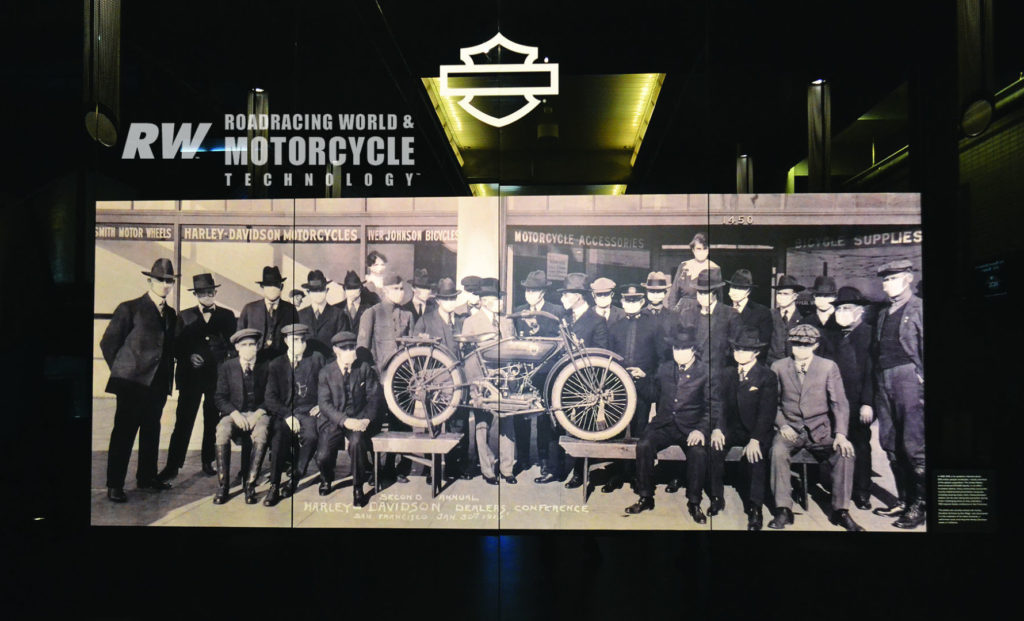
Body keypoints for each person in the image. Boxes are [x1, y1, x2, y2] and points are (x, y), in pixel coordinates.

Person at [767, 324, 863, 531]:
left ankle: (841, 510)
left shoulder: (828, 367)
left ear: (816, 345)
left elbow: (839, 403)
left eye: (806, 345)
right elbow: (770, 403)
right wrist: (782, 424)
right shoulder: (779, 366)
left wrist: (840, 434)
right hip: (790, 428)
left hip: (821, 430)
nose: (800, 349)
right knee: (777, 451)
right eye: (796, 345)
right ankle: (783, 509)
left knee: (845, 452)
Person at [100, 258, 179, 502]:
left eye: (169, 281)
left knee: (151, 432)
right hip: (131, 385)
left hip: (157, 385)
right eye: (160, 280)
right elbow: (108, 343)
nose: (165, 285)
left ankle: (146, 478)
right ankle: (115, 484)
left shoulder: (172, 314)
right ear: (149, 281)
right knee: (124, 433)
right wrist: (124, 372)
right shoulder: (130, 308)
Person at [624, 328, 719, 524]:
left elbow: (713, 407)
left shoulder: (705, 372)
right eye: (676, 348)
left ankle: (694, 502)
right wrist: (640, 379)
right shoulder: (664, 369)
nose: (679, 353)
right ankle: (645, 496)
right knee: (644, 445)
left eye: (684, 349)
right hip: (665, 425)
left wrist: (701, 430)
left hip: (691, 428)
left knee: (699, 453)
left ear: (693, 350)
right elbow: (652, 394)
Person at [158, 273, 236, 483]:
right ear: (196, 295)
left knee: (212, 419)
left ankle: (208, 461)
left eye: (210, 292)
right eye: (202, 292)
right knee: (183, 421)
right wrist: (188, 355)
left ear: (215, 293)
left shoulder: (228, 316)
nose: (207, 295)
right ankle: (173, 465)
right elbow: (174, 345)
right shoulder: (183, 316)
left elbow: (233, 346)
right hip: (191, 377)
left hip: (217, 377)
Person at [535, 273, 609, 487]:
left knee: (584, 427)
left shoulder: (597, 321)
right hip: (561, 382)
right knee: (554, 423)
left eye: (567, 294)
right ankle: (554, 470)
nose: (563, 298)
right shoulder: (564, 320)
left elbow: (602, 355)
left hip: (584, 384)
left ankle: (580, 473)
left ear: (579, 296)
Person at [871, 260, 926, 529]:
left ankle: (919, 507)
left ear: (907, 279)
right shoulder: (883, 312)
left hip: (907, 378)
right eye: (884, 279)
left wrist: (921, 380)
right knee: (890, 441)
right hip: (884, 378)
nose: (885, 284)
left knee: (914, 444)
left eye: (891, 279)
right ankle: (903, 500)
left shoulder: (918, 308)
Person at [708, 327, 778, 530]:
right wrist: (718, 429)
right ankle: (716, 497)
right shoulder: (727, 373)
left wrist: (755, 439)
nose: (740, 354)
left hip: (756, 430)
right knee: (714, 448)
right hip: (731, 428)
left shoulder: (766, 376)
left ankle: (755, 508)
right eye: (737, 349)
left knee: (755, 457)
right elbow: (719, 404)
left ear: (756, 352)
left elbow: (767, 412)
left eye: (745, 350)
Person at [602, 283, 661, 493]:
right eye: (627, 300)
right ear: (622, 301)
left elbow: (661, 358)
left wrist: (647, 376)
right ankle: (618, 473)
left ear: (642, 301)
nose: (631, 303)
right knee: (618, 430)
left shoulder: (654, 325)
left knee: (639, 430)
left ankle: (638, 475)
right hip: (619, 388)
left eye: (635, 300)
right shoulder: (615, 327)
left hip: (643, 387)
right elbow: (607, 358)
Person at [412, 277, 472, 479]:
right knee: (434, 425)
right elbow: (415, 350)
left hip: (458, 381)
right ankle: (432, 468)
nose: (450, 303)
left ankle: (457, 467)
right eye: (446, 299)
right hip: (434, 381)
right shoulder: (426, 320)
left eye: (453, 299)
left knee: (459, 423)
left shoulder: (462, 321)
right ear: (438, 301)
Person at [358, 272, 414, 482]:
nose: (399, 293)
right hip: (378, 381)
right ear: (384, 290)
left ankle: (394, 468)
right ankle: (373, 469)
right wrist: (371, 378)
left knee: (400, 424)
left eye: (401, 289)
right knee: (375, 423)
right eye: (394, 289)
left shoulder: (407, 315)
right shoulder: (371, 313)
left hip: (401, 381)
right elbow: (362, 349)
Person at [461, 277, 517, 484]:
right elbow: (467, 355)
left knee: (508, 421)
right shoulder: (471, 322)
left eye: (500, 299)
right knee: (482, 423)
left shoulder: (507, 321)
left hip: (505, 379)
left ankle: (507, 469)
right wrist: (476, 384)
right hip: (481, 379)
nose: (501, 303)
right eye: (496, 299)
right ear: (484, 300)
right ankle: (487, 470)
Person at [262, 323, 325, 506]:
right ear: (286, 341)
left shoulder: (316, 359)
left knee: (312, 436)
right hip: (285, 413)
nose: (299, 344)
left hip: (308, 412)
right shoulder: (276, 364)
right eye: (294, 340)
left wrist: (321, 404)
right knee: (279, 436)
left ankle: (295, 477)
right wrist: (287, 414)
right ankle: (274, 485)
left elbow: (326, 385)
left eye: (302, 340)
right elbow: (270, 397)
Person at [316, 331, 381, 507]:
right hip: (335, 421)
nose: (350, 351)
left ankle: (358, 488)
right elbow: (324, 404)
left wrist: (366, 419)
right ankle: (326, 478)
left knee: (357, 444)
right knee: (322, 456)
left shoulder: (364, 368)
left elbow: (374, 397)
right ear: (336, 350)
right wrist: (344, 420)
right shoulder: (326, 372)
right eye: (345, 348)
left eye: (352, 347)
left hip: (359, 420)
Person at [511, 270, 565, 475]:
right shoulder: (519, 311)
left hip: (546, 372)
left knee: (544, 418)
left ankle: (544, 459)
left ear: (543, 292)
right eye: (527, 290)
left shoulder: (556, 311)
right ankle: (522, 458)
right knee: (520, 415)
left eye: (533, 290)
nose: (529, 294)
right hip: (523, 371)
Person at [212, 328, 271, 505]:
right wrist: (234, 413)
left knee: (262, 431)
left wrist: (259, 413)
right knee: (222, 430)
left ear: (257, 346)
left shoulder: (267, 366)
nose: (248, 349)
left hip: (259, 413)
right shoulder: (227, 367)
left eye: (252, 344)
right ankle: (223, 486)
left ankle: (250, 485)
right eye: (244, 345)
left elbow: (272, 396)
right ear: (237, 347)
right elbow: (219, 397)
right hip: (235, 413)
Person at [832, 286, 876, 511]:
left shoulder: (868, 334)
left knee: (861, 445)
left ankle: (862, 492)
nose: (841, 312)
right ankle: (842, 490)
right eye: (838, 308)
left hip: (859, 402)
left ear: (860, 311)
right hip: (839, 401)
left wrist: (868, 403)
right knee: (841, 443)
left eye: (847, 308)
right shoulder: (836, 334)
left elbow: (871, 372)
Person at [237, 266, 299, 363]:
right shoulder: (249, 309)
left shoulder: (290, 310)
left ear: (281, 287)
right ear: (262, 287)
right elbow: (239, 338)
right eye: (268, 285)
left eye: (276, 285)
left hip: (282, 363)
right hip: (256, 362)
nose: (272, 289)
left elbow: (296, 338)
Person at [298, 269, 348, 360]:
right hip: (306, 366)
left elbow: (342, 345)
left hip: (329, 366)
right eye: (314, 290)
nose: (318, 294)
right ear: (308, 292)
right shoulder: (300, 315)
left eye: (321, 290)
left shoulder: (338, 314)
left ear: (326, 290)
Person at [725, 268, 772, 361]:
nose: (735, 291)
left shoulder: (761, 312)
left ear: (748, 291)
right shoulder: (724, 311)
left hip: (750, 363)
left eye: (740, 288)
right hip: (727, 365)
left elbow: (764, 343)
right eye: (733, 287)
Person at [667, 232, 720, 312]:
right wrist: (672, 314)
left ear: (708, 250)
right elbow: (673, 294)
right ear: (693, 250)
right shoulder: (683, 266)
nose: (702, 252)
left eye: (705, 249)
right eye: (699, 249)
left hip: (704, 311)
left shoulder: (714, 268)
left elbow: (719, 298)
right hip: (682, 312)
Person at [799, 275, 840, 360]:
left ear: (835, 297)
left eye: (827, 296)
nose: (822, 299)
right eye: (819, 295)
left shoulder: (841, 321)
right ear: (814, 296)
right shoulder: (805, 322)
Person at [768, 275, 806, 364]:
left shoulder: (803, 318)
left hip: (795, 366)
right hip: (772, 366)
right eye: (779, 293)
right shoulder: (769, 315)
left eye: (785, 294)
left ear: (795, 296)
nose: (781, 297)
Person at [333, 270, 378, 335]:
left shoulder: (370, 308)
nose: (352, 292)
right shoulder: (337, 308)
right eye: (349, 288)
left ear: (360, 289)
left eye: (355, 288)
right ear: (344, 289)